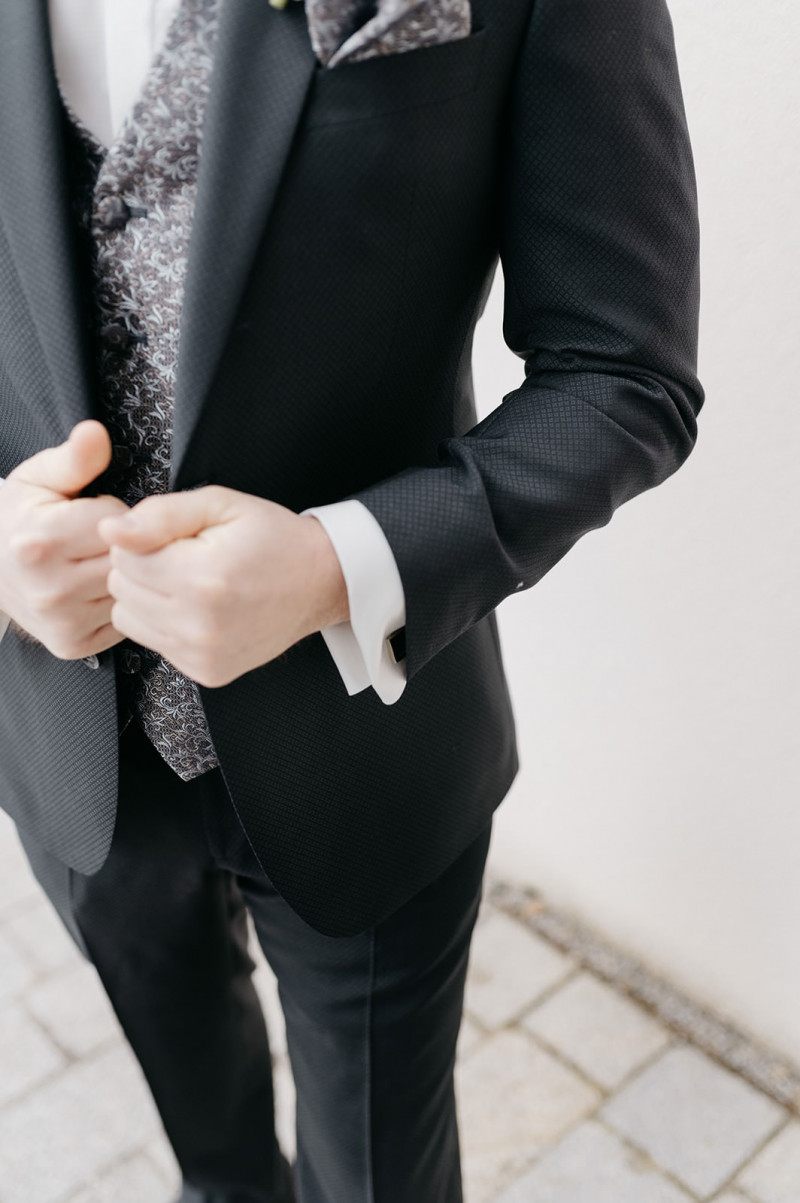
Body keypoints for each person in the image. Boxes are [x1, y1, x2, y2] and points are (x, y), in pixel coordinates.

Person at [0, 0, 704, 1199]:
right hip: (69, 744)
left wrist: (339, 564)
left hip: (368, 751)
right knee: (211, 1155)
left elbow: (623, 373)